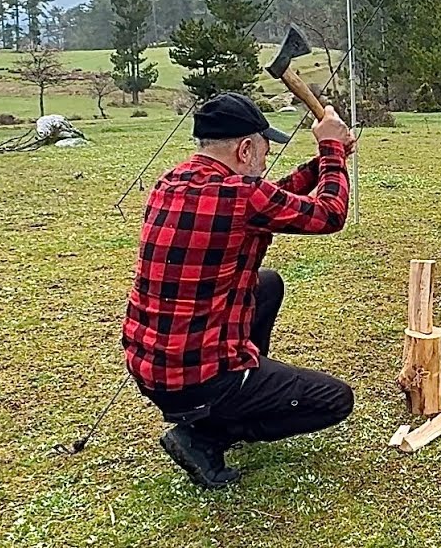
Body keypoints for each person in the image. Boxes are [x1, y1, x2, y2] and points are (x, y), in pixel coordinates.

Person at [122, 91, 356, 488]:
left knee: (267, 284)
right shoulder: (242, 196)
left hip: (151, 368)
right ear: (246, 149)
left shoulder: (170, 182)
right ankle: (208, 435)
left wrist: (324, 163)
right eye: (264, 152)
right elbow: (329, 215)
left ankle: (235, 396)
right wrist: (331, 149)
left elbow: (273, 198)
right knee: (335, 400)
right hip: (196, 378)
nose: (265, 162)